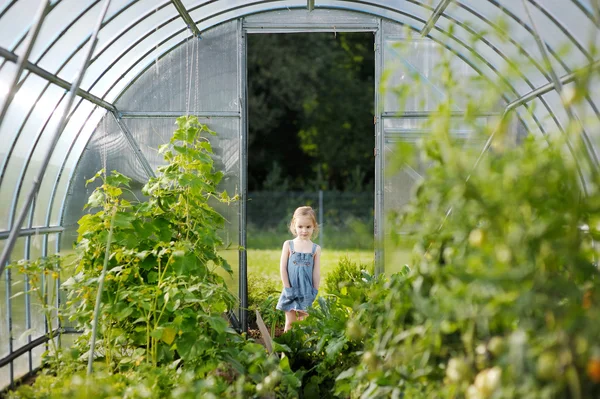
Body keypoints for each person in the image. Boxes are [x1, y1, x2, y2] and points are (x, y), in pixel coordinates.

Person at [276, 206, 321, 332]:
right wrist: (287, 288)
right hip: (290, 290)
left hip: (307, 291)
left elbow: (316, 272)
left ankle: (301, 350)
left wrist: (315, 290)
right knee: (290, 322)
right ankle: (286, 351)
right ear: (294, 226)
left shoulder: (315, 249)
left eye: (308, 227)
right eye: (300, 227)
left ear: (314, 227)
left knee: (304, 324)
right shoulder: (288, 245)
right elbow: (283, 268)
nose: (304, 230)